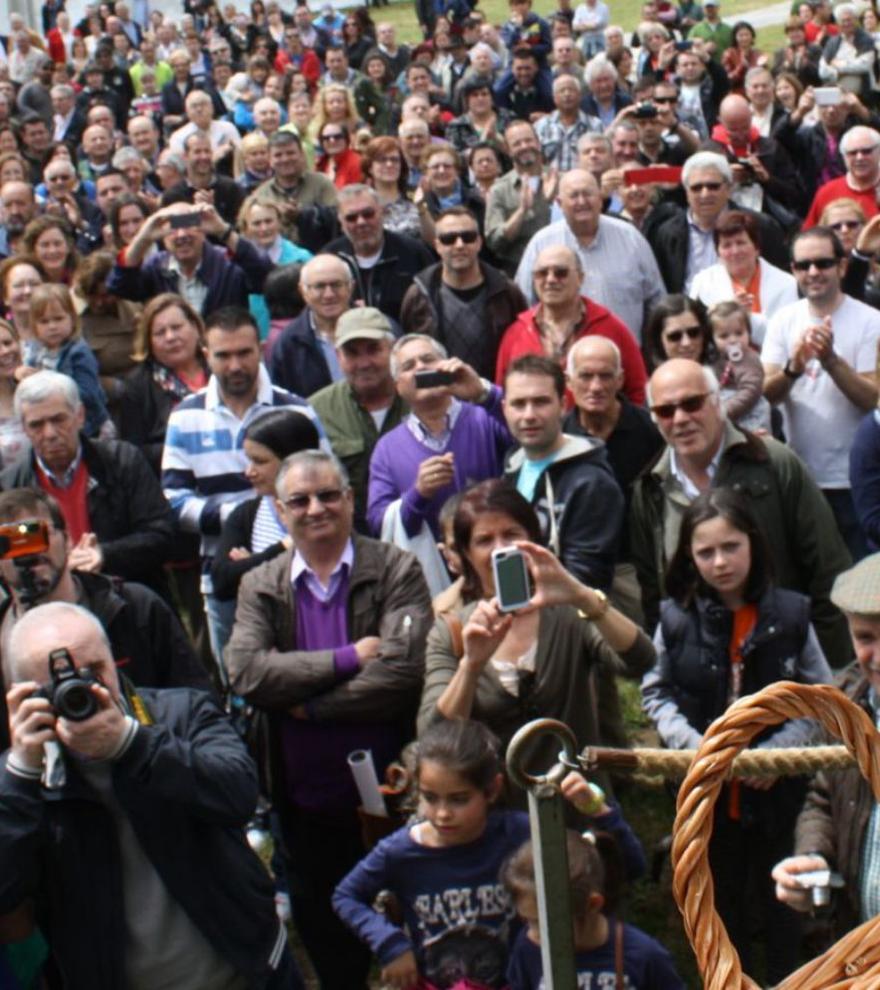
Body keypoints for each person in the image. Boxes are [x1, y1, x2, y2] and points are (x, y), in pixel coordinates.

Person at [0, 600, 302, 989]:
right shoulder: (19, 777)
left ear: (115, 660)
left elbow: (240, 794)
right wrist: (22, 773)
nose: (82, 688)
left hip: (245, 971)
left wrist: (132, 744)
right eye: (57, 682)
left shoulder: (180, 713)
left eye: (94, 670)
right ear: (22, 694)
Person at [226, 448, 433, 990]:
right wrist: (346, 658)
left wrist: (310, 705)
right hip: (301, 800)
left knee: (411, 934)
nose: (315, 508)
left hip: (395, 794)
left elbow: (403, 672)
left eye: (328, 495)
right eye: (300, 499)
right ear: (279, 507)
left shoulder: (396, 568)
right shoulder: (261, 584)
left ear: (349, 499)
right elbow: (247, 672)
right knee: (326, 933)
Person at [641, 488, 832, 983]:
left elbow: (822, 695)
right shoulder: (676, 617)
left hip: (778, 791)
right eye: (706, 552)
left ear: (753, 545)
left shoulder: (791, 614)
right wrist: (697, 749)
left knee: (782, 907)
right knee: (720, 902)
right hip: (707, 793)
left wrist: (777, 755)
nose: (720, 562)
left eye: (731, 547)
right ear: (689, 556)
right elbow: (656, 692)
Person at [334, 719, 632, 988]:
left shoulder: (521, 834)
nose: (442, 813)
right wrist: (390, 944)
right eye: (429, 797)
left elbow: (619, 865)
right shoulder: (400, 851)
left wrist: (600, 812)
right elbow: (346, 896)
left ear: (492, 790)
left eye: (459, 799)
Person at [630, 358, 853, 664]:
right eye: (666, 411)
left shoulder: (773, 462)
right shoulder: (650, 489)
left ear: (717, 402)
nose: (680, 418)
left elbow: (828, 568)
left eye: (692, 403)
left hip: (784, 659)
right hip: (700, 673)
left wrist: (832, 667)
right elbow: (655, 595)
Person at [417, 479, 654, 760]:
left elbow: (640, 660)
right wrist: (471, 665)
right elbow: (434, 736)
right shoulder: (452, 630)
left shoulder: (567, 612)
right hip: (500, 799)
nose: (499, 549)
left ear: (532, 540)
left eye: (511, 534)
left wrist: (582, 596)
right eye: (484, 540)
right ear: (466, 554)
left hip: (579, 795)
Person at [162, 307, 325, 671]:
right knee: (242, 684)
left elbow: (325, 481)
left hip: (302, 575)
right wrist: (239, 521)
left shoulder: (297, 410)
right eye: (223, 355)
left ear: (261, 349)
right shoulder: (185, 417)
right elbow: (174, 501)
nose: (235, 365)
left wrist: (272, 523)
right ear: (206, 354)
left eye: (244, 353)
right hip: (223, 577)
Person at [772, 553, 880, 937]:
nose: (877, 658)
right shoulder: (845, 706)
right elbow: (822, 797)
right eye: (865, 638)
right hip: (857, 951)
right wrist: (812, 860)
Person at [762, 226, 880, 560]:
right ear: (793, 271)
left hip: (857, 480)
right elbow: (767, 393)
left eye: (823, 263)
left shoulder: (871, 321)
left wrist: (830, 360)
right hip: (803, 479)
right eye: (804, 265)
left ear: (842, 267)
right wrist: (794, 368)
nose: (813, 272)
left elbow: (873, 399)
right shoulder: (783, 321)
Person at [2, 368, 174, 595]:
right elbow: (13, 557)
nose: (50, 433)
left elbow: (161, 534)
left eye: (58, 419)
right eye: (37, 425)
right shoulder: (12, 486)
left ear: (80, 416)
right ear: (24, 429)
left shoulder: (122, 462)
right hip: (49, 607)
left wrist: (104, 554)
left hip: (125, 599)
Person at [367, 335, 510, 549]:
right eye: (408, 366)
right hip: (432, 567)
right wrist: (418, 494)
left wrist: (482, 393)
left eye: (428, 359)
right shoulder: (387, 449)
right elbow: (378, 522)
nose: (421, 367)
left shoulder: (484, 417)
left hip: (496, 548)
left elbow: (526, 432)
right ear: (398, 386)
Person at [502, 354, 623, 591]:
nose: (529, 415)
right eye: (519, 404)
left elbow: (586, 580)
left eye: (541, 402)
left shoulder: (592, 483)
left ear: (563, 405)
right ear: (504, 409)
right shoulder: (511, 466)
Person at [504, 830, 683, 989]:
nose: (532, 934)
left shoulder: (645, 958)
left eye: (542, 924)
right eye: (527, 921)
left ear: (592, 905)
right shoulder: (527, 950)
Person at [517, 169, 664, 342]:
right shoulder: (541, 244)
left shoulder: (631, 238)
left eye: (588, 194)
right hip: (562, 361)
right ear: (559, 203)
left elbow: (656, 301)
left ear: (601, 199)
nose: (582, 201)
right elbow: (524, 305)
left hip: (624, 357)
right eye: (573, 196)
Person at [496, 244, 647, 404]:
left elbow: (638, 392)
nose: (550, 279)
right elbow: (503, 395)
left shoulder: (611, 328)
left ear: (580, 278)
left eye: (561, 273)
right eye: (542, 273)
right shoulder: (516, 333)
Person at [401, 207, 527, 382]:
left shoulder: (507, 293)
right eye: (448, 239)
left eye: (467, 237)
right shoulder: (418, 296)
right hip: (440, 400)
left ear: (479, 243)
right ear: (437, 245)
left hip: (493, 398)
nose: (459, 245)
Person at [310, 307, 406, 533]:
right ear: (338, 356)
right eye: (352, 353)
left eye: (373, 350)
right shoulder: (317, 411)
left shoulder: (421, 401)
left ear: (393, 350)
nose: (364, 363)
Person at [211, 408, 320, 602]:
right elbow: (222, 582)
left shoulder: (331, 510)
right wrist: (285, 547)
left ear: (293, 459)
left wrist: (252, 566)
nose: (249, 472)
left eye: (259, 461)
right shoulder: (246, 515)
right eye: (249, 461)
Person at [643, 152, 788, 296]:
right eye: (696, 188)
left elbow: (780, 281)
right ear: (686, 191)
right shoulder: (666, 233)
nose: (705, 194)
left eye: (713, 186)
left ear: (729, 187)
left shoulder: (761, 227)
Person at [108, 202, 273, 317]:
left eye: (188, 224)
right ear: (163, 237)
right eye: (174, 227)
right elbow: (120, 287)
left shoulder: (226, 263)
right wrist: (144, 237)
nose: (182, 235)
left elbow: (266, 278)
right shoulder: (156, 267)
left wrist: (223, 231)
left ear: (203, 230)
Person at [117, 293, 209, 475]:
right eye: (160, 333)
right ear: (149, 342)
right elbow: (133, 451)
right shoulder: (138, 385)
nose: (170, 337)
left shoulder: (220, 366)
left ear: (196, 328)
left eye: (176, 327)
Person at [325, 184, 436, 325]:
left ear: (382, 213)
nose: (361, 222)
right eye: (351, 217)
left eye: (368, 214)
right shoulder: (329, 259)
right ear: (340, 222)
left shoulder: (413, 253)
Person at [688, 208, 799, 347]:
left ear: (756, 247)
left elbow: (786, 338)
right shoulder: (702, 282)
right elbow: (696, 334)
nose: (735, 251)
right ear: (718, 252)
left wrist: (747, 317)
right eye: (726, 245)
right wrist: (726, 312)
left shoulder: (786, 284)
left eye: (741, 243)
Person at [23, 283, 110, 439]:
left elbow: (88, 394)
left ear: (72, 318)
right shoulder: (34, 351)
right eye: (44, 321)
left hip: (88, 429)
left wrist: (49, 383)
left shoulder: (78, 352)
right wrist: (21, 376)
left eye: (58, 319)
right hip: (50, 424)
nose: (52, 326)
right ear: (34, 326)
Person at [268, 253, 355, 397]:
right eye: (319, 286)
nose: (329, 294)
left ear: (351, 286)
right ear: (303, 291)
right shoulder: (289, 343)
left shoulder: (378, 330)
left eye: (336, 285)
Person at [484, 120, 555, 277]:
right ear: (508, 150)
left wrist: (554, 203)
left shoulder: (560, 180)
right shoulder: (499, 190)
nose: (524, 146)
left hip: (560, 268)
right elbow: (494, 242)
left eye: (528, 140)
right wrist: (521, 211)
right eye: (517, 144)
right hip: (518, 270)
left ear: (538, 143)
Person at [707, 300, 771, 432]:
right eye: (724, 336)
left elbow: (750, 391)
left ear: (749, 332)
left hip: (750, 414)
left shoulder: (749, 360)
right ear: (712, 339)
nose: (733, 340)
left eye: (739, 333)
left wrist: (724, 410)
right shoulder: (715, 358)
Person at [803, 125, 880, 228]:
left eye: (866, 151)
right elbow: (809, 238)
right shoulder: (827, 193)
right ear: (843, 157)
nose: (860, 157)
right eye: (852, 153)